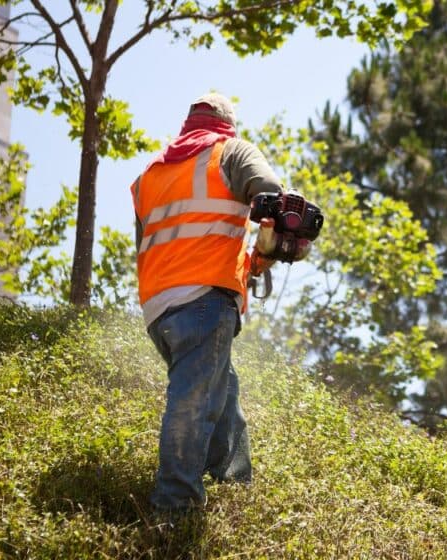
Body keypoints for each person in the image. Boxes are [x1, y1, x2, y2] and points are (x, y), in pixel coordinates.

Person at [130, 93, 282, 511]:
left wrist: (248, 260)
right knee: (192, 403)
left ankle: (234, 486)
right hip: (205, 300)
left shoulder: (150, 174)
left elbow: (154, 243)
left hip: (159, 309)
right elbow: (271, 198)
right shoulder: (231, 152)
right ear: (226, 125)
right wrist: (270, 248)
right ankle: (174, 509)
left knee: (221, 392)